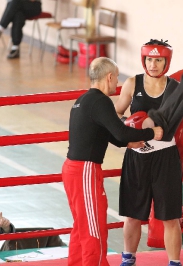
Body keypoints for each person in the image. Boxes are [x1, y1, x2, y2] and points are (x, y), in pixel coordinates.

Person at [62, 57, 163, 266]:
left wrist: (128, 144)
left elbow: (104, 132)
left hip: (75, 169)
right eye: (116, 78)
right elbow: (119, 130)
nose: (117, 84)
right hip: (85, 171)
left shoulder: (83, 100)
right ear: (109, 77)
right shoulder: (100, 101)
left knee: (82, 226)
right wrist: (151, 132)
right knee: (94, 229)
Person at [115, 39, 183, 266]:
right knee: (133, 214)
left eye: (158, 59)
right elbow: (116, 115)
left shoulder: (176, 88)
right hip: (136, 156)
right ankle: (128, 260)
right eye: (149, 59)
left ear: (166, 62)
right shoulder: (131, 83)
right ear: (143, 59)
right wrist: (127, 134)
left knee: (170, 216)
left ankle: (174, 263)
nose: (153, 64)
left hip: (165, 158)